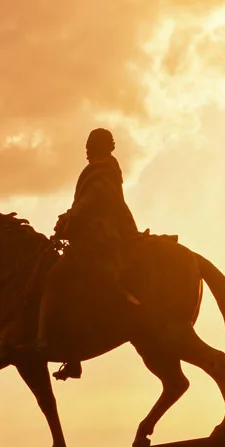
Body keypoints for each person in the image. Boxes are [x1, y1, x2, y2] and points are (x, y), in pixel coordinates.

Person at [39, 128, 141, 380]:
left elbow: (93, 201)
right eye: (87, 144)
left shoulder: (102, 169)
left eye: (90, 144)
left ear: (101, 146)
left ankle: (45, 342)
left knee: (55, 278)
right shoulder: (104, 168)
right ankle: (72, 357)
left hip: (99, 238)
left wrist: (69, 218)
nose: (86, 148)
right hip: (94, 234)